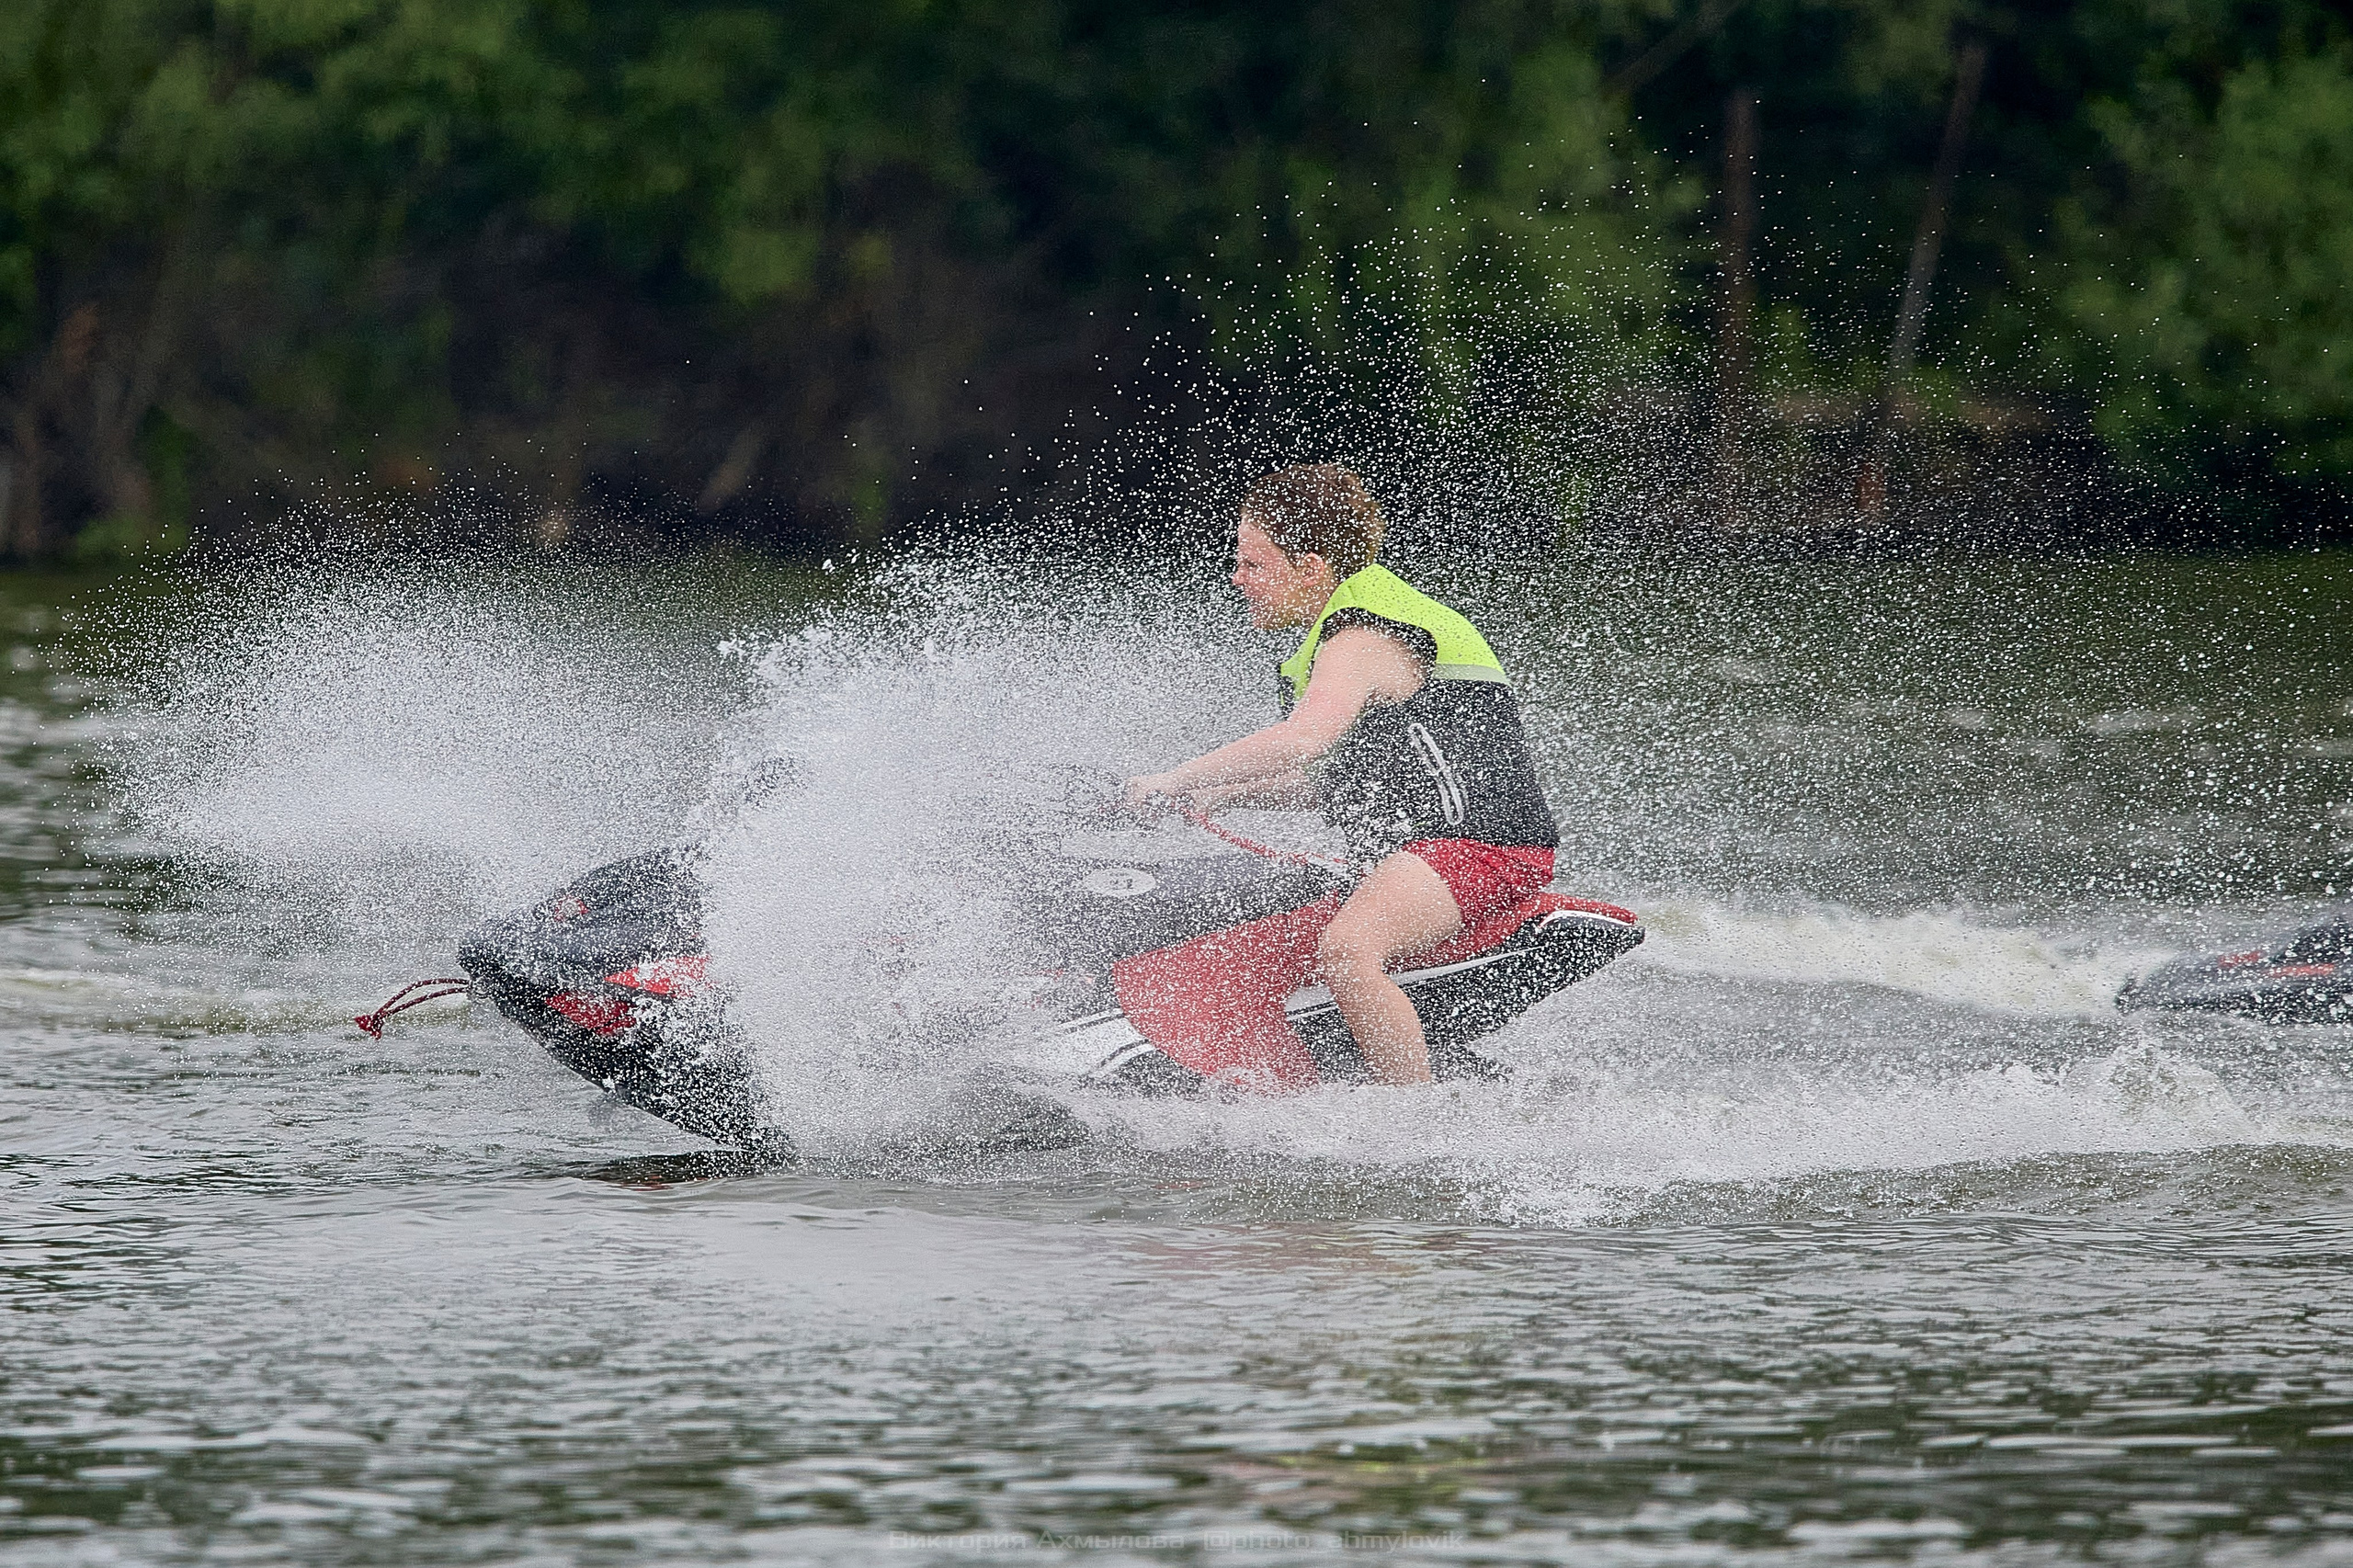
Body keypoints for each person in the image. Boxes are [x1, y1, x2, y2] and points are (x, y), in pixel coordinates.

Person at [1120, 463, 1559, 1085]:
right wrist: (1224, 792)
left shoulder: (1362, 638)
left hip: (1483, 849)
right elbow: (1338, 779)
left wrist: (1173, 778)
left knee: (1347, 952)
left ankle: (1413, 1124)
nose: (1237, 579)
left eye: (1255, 564)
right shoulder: (1343, 641)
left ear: (1311, 568)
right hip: (1423, 855)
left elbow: (1304, 739)